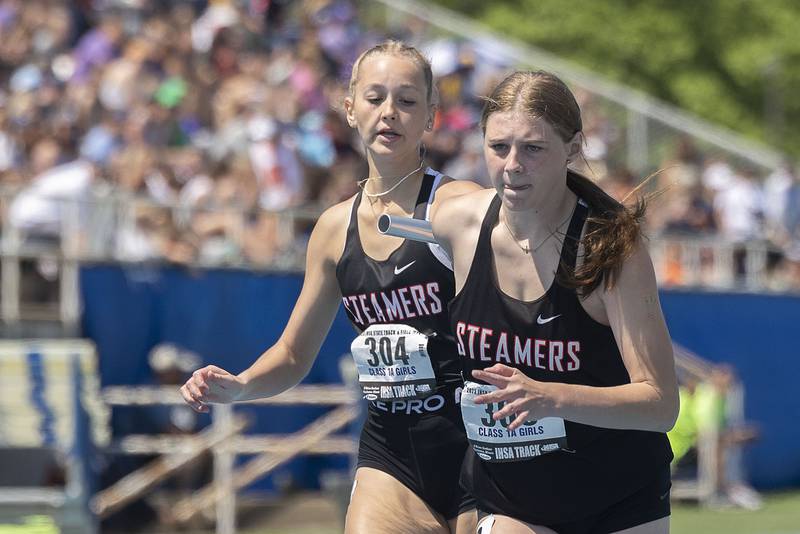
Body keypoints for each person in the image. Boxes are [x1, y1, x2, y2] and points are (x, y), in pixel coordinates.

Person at [179, 40, 479, 534]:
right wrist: (241, 386)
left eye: (407, 101)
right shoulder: (333, 230)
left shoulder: (463, 206)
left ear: (430, 116)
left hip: (480, 446)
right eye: (375, 97)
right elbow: (295, 354)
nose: (390, 113)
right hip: (394, 453)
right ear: (349, 108)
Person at [431, 71, 679, 534]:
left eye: (533, 148)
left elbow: (661, 404)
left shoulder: (610, 249)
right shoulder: (456, 225)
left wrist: (550, 397)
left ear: (572, 148)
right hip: (510, 499)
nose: (512, 164)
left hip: (619, 499)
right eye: (498, 146)